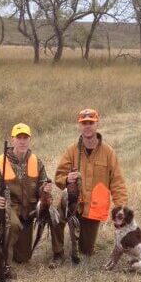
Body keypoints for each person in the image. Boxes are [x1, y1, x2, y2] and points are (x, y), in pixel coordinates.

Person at [51, 109, 128, 266]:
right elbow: (58, 177)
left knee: (86, 251)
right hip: (73, 203)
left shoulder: (108, 152)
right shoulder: (71, 150)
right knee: (55, 217)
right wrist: (66, 179)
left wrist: (120, 208)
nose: (87, 126)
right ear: (79, 126)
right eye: (84, 123)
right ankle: (58, 253)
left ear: (97, 124)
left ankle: (77, 234)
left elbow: (117, 183)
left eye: (91, 123)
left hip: (92, 209)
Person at [0, 123, 52, 279]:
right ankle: (4, 265)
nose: (22, 141)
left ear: (29, 140)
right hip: (10, 207)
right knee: (12, 225)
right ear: (12, 140)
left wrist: (45, 189)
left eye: (25, 138)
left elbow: (42, 184)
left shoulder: (37, 161)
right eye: (19, 138)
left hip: (28, 211)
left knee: (23, 258)